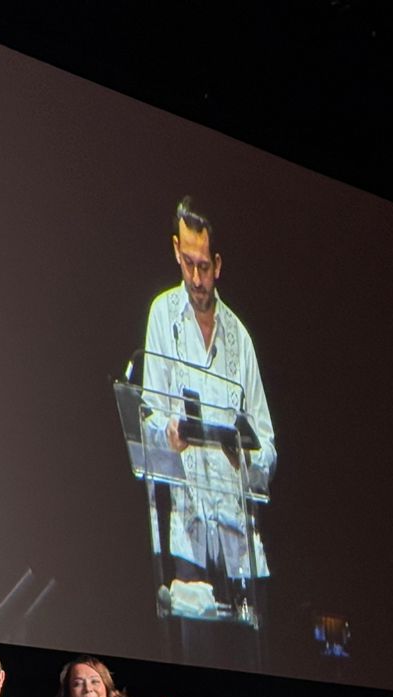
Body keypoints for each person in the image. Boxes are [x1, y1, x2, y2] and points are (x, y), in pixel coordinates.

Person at [142, 196, 276, 620]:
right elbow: (146, 415)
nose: (196, 279)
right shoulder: (163, 316)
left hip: (240, 546)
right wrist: (169, 433)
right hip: (186, 534)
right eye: (187, 264)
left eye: (204, 266)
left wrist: (246, 456)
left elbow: (269, 444)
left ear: (217, 264)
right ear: (175, 251)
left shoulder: (240, 337)